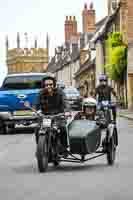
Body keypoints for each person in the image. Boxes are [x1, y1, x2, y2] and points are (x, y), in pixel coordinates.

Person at [35, 73, 67, 146]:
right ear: (44, 86)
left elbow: (65, 102)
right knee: (37, 129)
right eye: (46, 85)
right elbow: (36, 104)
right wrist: (38, 111)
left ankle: (64, 148)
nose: (48, 86)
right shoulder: (40, 93)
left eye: (50, 84)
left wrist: (67, 111)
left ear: (54, 84)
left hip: (58, 116)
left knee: (63, 128)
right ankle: (39, 148)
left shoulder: (60, 92)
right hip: (45, 116)